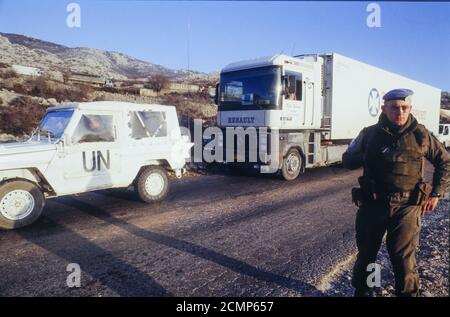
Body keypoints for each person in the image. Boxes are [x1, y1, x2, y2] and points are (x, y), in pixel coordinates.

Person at [342, 88, 450, 297]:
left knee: (403, 258)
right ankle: (367, 290)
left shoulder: (421, 135)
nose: (400, 112)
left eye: (404, 108)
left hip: (407, 207)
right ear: (384, 108)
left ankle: (408, 294)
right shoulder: (369, 134)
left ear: (410, 109)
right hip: (373, 205)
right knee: (368, 254)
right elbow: (348, 160)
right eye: (394, 108)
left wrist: (437, 193)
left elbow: (445, 162)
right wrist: (362, 153)